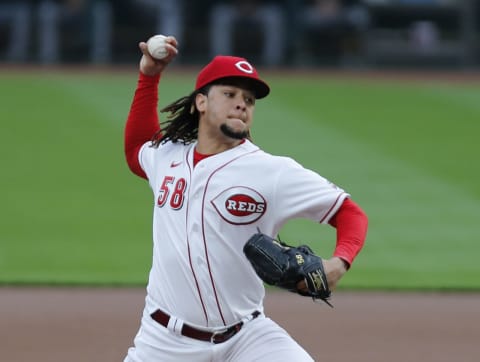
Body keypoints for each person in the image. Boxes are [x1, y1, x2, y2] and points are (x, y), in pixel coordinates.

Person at [123, 35, 368, 361]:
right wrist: (149, 75)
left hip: (247, 338)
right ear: (201, 103)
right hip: (164, 342)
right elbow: (136, 148)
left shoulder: (271, 171)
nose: (242, 103)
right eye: (230, 94)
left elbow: (350, 213)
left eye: (249, 100)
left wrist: (339, 263)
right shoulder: (166, 157)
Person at [209, 0, 286, 66]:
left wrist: (253, 5)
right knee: (221, 15)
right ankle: (222, 62)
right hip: (235, 8)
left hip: (259, 8)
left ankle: (272, 62)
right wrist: (240, 5)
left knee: (273, 17)